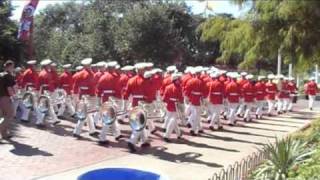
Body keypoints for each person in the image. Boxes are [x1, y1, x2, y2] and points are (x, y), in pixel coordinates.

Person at [72, 58, 99, 138]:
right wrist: (94, 95)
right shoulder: (90, 74)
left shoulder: (79, 74)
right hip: (89, 96)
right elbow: (92, 86)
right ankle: (76, 132)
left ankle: (92, 130)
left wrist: (77, 96)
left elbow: (76, 86)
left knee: (88, 113)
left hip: (82, 95)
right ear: (89, 65)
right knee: (85, 113)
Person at [36, 59, 60, 127]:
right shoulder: (44, 73)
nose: (50, 65)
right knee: (45, 106)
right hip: (46, 91)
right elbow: (40, 84)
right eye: (49, 64)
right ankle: (40, 121)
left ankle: (52, 119)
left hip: (47, 91)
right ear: (46, 66)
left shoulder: (46, 72)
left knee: (47, 106)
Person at [184, 67, 206, 135]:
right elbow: (203, 91)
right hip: (197, 99)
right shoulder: (201, 81)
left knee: (195, 114)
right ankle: (193, 129)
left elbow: (187, 90)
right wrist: (203, 99)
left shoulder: (190, 81)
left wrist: (187, 98)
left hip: (191, 98)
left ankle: (199, 128)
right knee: (196, 115)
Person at [162, 73, 183, 142]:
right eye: (178, 79)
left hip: (169, 105)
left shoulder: (168, 87)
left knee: (174, 121)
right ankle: (166, 135)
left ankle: (179, 133)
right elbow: (180, 98)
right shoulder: (179, 87)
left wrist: (168, 101)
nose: (179, 80)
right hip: (175, 105)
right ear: (175, 80)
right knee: (173, 121)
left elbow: (164, 98)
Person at [0, 60, 16, 140]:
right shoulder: (8, 76)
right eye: (13, 67)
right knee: (10, 114)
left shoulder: (1, 74)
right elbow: (9, 88)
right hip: (5, 97)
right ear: (9, 67)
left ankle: (4, 134)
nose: (13, 68)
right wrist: (14, 96)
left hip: (1, 97)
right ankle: (1, 128)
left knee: (4, 115)